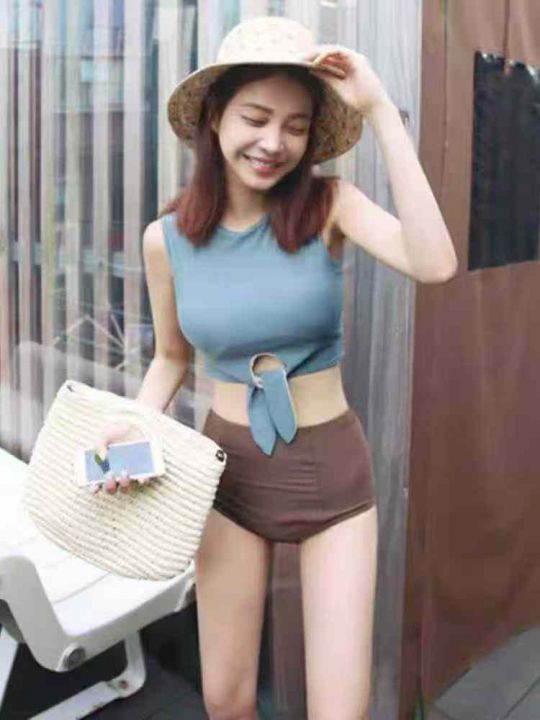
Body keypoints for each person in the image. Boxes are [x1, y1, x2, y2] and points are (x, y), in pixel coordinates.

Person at [92, 16, 458, 720]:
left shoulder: (331, 206)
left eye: (295, 127)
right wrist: (132, 425)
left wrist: (381, 109)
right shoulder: (165, 240)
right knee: (227, 700)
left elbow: (435, 263)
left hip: (332, 475)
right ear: (216, 119)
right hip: (226, 472)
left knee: (338, 712)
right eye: (256, 118)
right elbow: (171, 357)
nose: (273, 143)